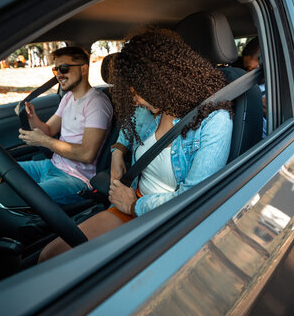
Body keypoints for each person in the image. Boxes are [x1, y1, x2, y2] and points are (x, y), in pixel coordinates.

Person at [38, 28, 233, 262]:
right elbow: (126, 133)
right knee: (51, 255)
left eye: (137, 91)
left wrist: (134, 206)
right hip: (131, 199)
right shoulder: (148, 110)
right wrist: (117, 153)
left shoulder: (214, 121)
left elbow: (194, 199)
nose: (134, 100)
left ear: (160, 82)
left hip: (169, 220)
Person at [0, 46, 113, 205]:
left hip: (76, 179)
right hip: (51, 165)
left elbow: (86, 154)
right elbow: (48, 130)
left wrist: (43, 141)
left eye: (64, 68)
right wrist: (31, 116)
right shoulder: (69, 97)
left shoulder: (96, 103)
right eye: (56, 70)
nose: (59, 75)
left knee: (5, 200)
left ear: (84, 69)